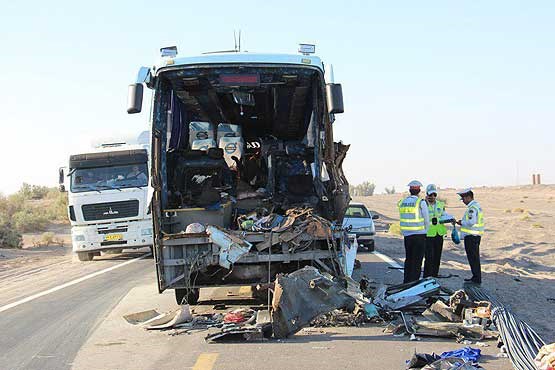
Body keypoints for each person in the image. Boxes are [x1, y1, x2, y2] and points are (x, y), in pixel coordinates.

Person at [398, 180, 430, 283]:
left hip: (407, 235)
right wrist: (426, 232)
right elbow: (426, 219)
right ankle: (414, 282)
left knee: (409, 259)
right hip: (419, 235)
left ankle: (406, 281)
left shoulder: (403, 202)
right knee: (417, 261)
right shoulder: (421, 202)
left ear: (409, 190)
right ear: (419, 190)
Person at [456, 188, 484, 284]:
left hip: (472, 237)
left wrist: (461, 222)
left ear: (468, 197)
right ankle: (475, 277)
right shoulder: (476, 206)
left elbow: (471, 222)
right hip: (475, 236)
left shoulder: (472, 208)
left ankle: (476, 278)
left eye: (463, 199)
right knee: (474, 258)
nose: (463, 201)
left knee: (473, 258)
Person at [423, 184, 447, 278]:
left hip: (439, 233)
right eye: (430, 195)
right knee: (429, 257)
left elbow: (444, 215)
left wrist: (450, 218)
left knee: (437, 256)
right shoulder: (423, 204)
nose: (432, 197)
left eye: (434, 195)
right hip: (428, 234)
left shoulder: (440, 205)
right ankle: (427, 276)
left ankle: (434, 274)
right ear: (426, 194)